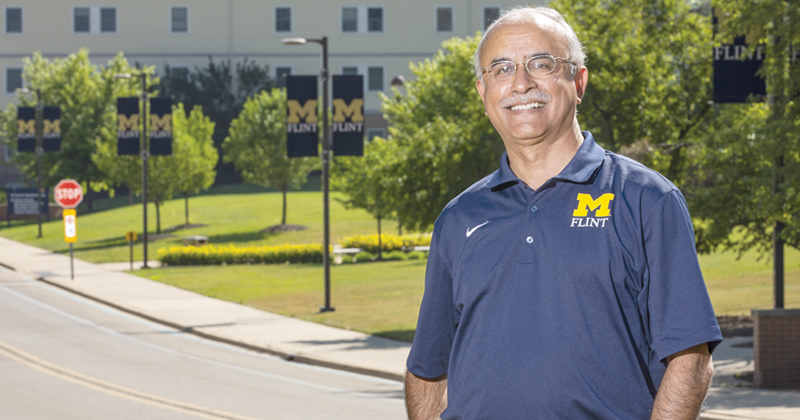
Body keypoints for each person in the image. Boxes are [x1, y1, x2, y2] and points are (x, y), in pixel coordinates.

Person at [404, 6, 723, 420]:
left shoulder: (646, 200)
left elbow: (690, 359)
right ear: (483, 94)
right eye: (500, 69)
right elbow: (429, 370)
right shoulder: (459, 217)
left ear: (578, 81)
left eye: (541, 63)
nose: (520, 83)